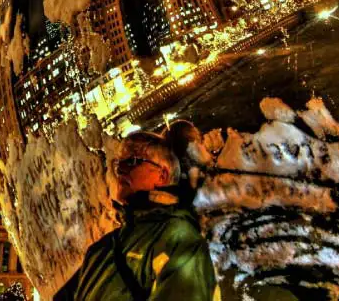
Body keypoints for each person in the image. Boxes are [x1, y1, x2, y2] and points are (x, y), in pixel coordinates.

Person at [53, 128, 219, 301]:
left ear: (162, 174)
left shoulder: (179, 239)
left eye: (132, 162)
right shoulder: (101, 248)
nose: (120, 171)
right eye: (118, 165)